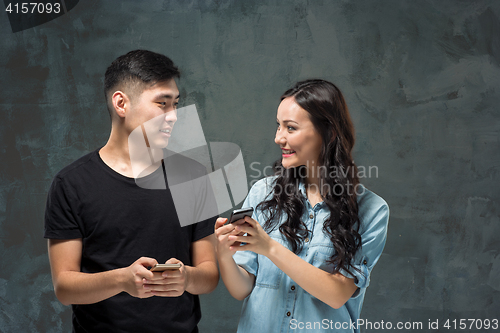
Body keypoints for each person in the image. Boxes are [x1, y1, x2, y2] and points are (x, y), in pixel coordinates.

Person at [44, 50, 219, 332]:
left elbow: (209, 275)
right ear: (121, 103)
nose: (174, 116)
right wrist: (122, 280)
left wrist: (185, 278)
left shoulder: (193, 176)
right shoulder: (71, 184)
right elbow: (64, 286)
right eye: (162, 104)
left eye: (176, 104)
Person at [215, 79, 389, 333]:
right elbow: (242, 289)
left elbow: (337, 294)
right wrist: (224, 255)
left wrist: (270, 248)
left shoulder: (371, 210)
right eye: (278, 126)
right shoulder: (262, 193)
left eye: (291, 128)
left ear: (328, 132)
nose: (278, 138)